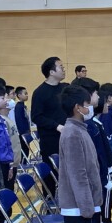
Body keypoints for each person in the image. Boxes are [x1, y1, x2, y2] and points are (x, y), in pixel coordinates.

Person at [58, 85, 107, 223]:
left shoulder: (79, 129)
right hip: (76, 204)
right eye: (87, 104)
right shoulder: (71, 133)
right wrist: (87, 206)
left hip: (84, 203)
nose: (90, 107)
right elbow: (78, 174)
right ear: (78, 108)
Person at [75, 77, 112, 223]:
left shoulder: (93, 123)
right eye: (95, 94)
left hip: (101, 170)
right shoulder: (85, 126)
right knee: (94, 206)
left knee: (97, 204)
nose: (98, 97)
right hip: (95, 173)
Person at [31, 57, 68, 197]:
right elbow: (36, 117)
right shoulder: (40, 92)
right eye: (61, 67)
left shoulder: (65, 88)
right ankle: (49, 200)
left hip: (68, 136)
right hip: (51, 139)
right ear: (51, 72)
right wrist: (56, 126)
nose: (64, 69)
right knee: (51, 172)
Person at [0, 88, 23, 176]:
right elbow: (4, 145)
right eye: (4, 98)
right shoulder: (1, 121)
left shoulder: (8, 118)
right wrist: (10, 165)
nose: (9, 101)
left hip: (14, 163)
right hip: (8, 164)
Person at [13, 86, 32, 159]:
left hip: (26, 131)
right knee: (24, 151)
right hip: (22, 133)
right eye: (25, 93)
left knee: (27, 150)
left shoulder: (23, 105)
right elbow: (19, 120)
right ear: (19, 95)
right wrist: (23, 132)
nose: (27, 95)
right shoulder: (18, 107)